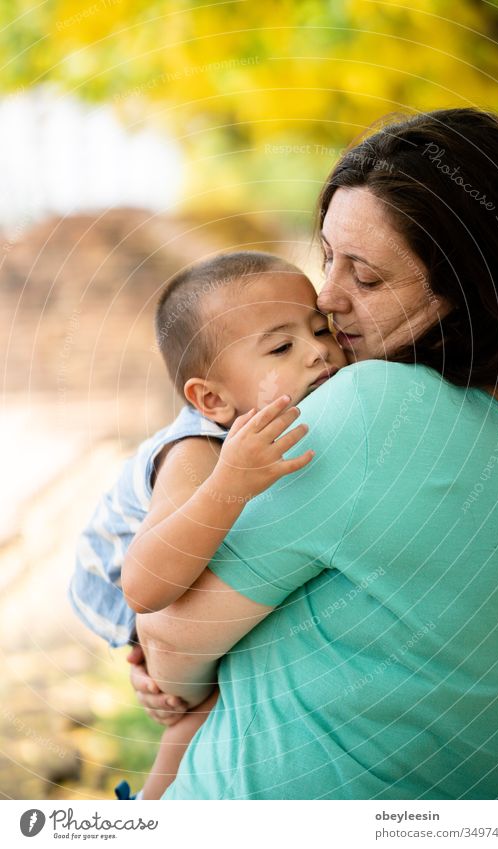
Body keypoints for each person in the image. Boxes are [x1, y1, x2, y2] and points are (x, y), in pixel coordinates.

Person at [129, 107, 498, 800]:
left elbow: (170, 646)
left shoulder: (378, 408)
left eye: (367, 279)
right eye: (326, 256)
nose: (326, 298)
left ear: (470, 289)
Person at [69, 250, 347, 798]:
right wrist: (230, 484)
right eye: (282, 346)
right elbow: (146, 586)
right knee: (207, 698)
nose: (319, 352)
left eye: (321, 329)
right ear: (212, 398)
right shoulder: (198, 452)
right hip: (125, 573)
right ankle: (150, 812)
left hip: (169, 567)